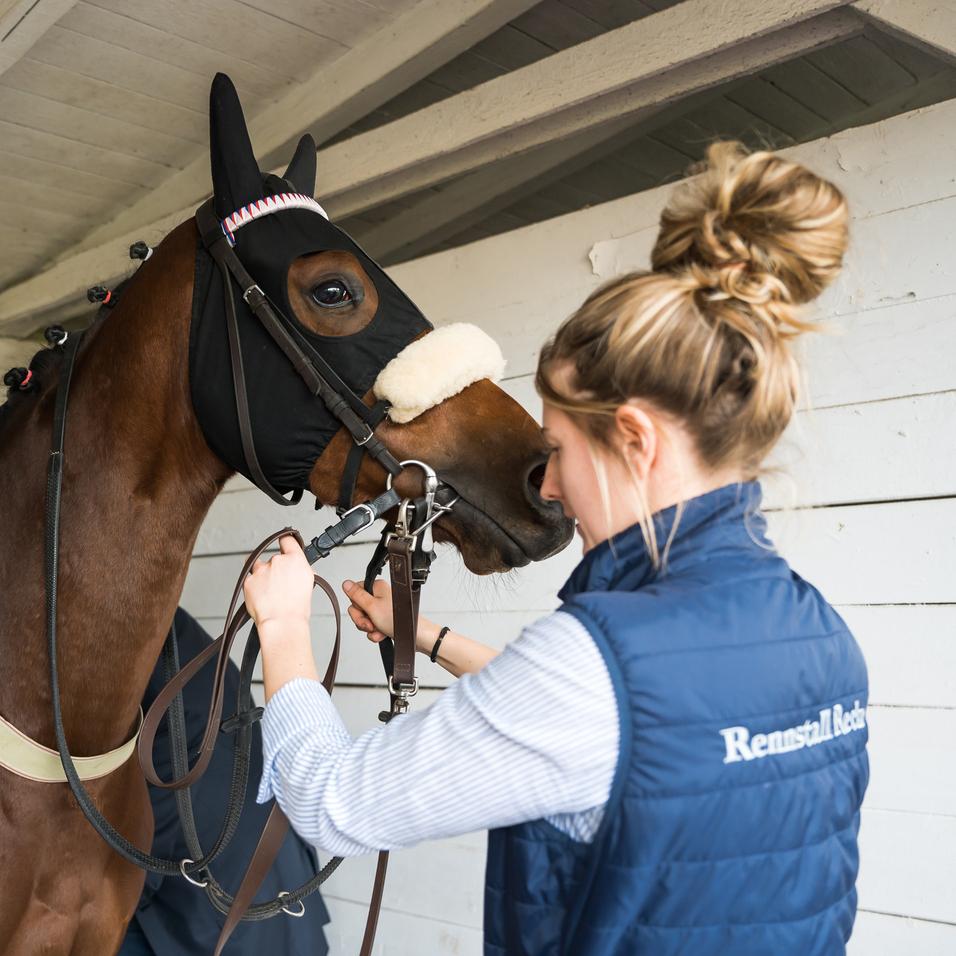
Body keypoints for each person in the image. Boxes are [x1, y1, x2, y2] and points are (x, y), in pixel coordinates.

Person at [242, 142, 869, 955]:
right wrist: (425, 639)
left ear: (636, 440)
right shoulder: (818, 634)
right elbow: (634, 732)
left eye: (558, 453)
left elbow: (328, 801)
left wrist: (285, 630)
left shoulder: (589, 672)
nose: (546, 489)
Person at [119, 607, 330, 956]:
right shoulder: (168, 632)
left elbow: (175, 779)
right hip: (233, 883)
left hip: (216, 899)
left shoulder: (144, 641)